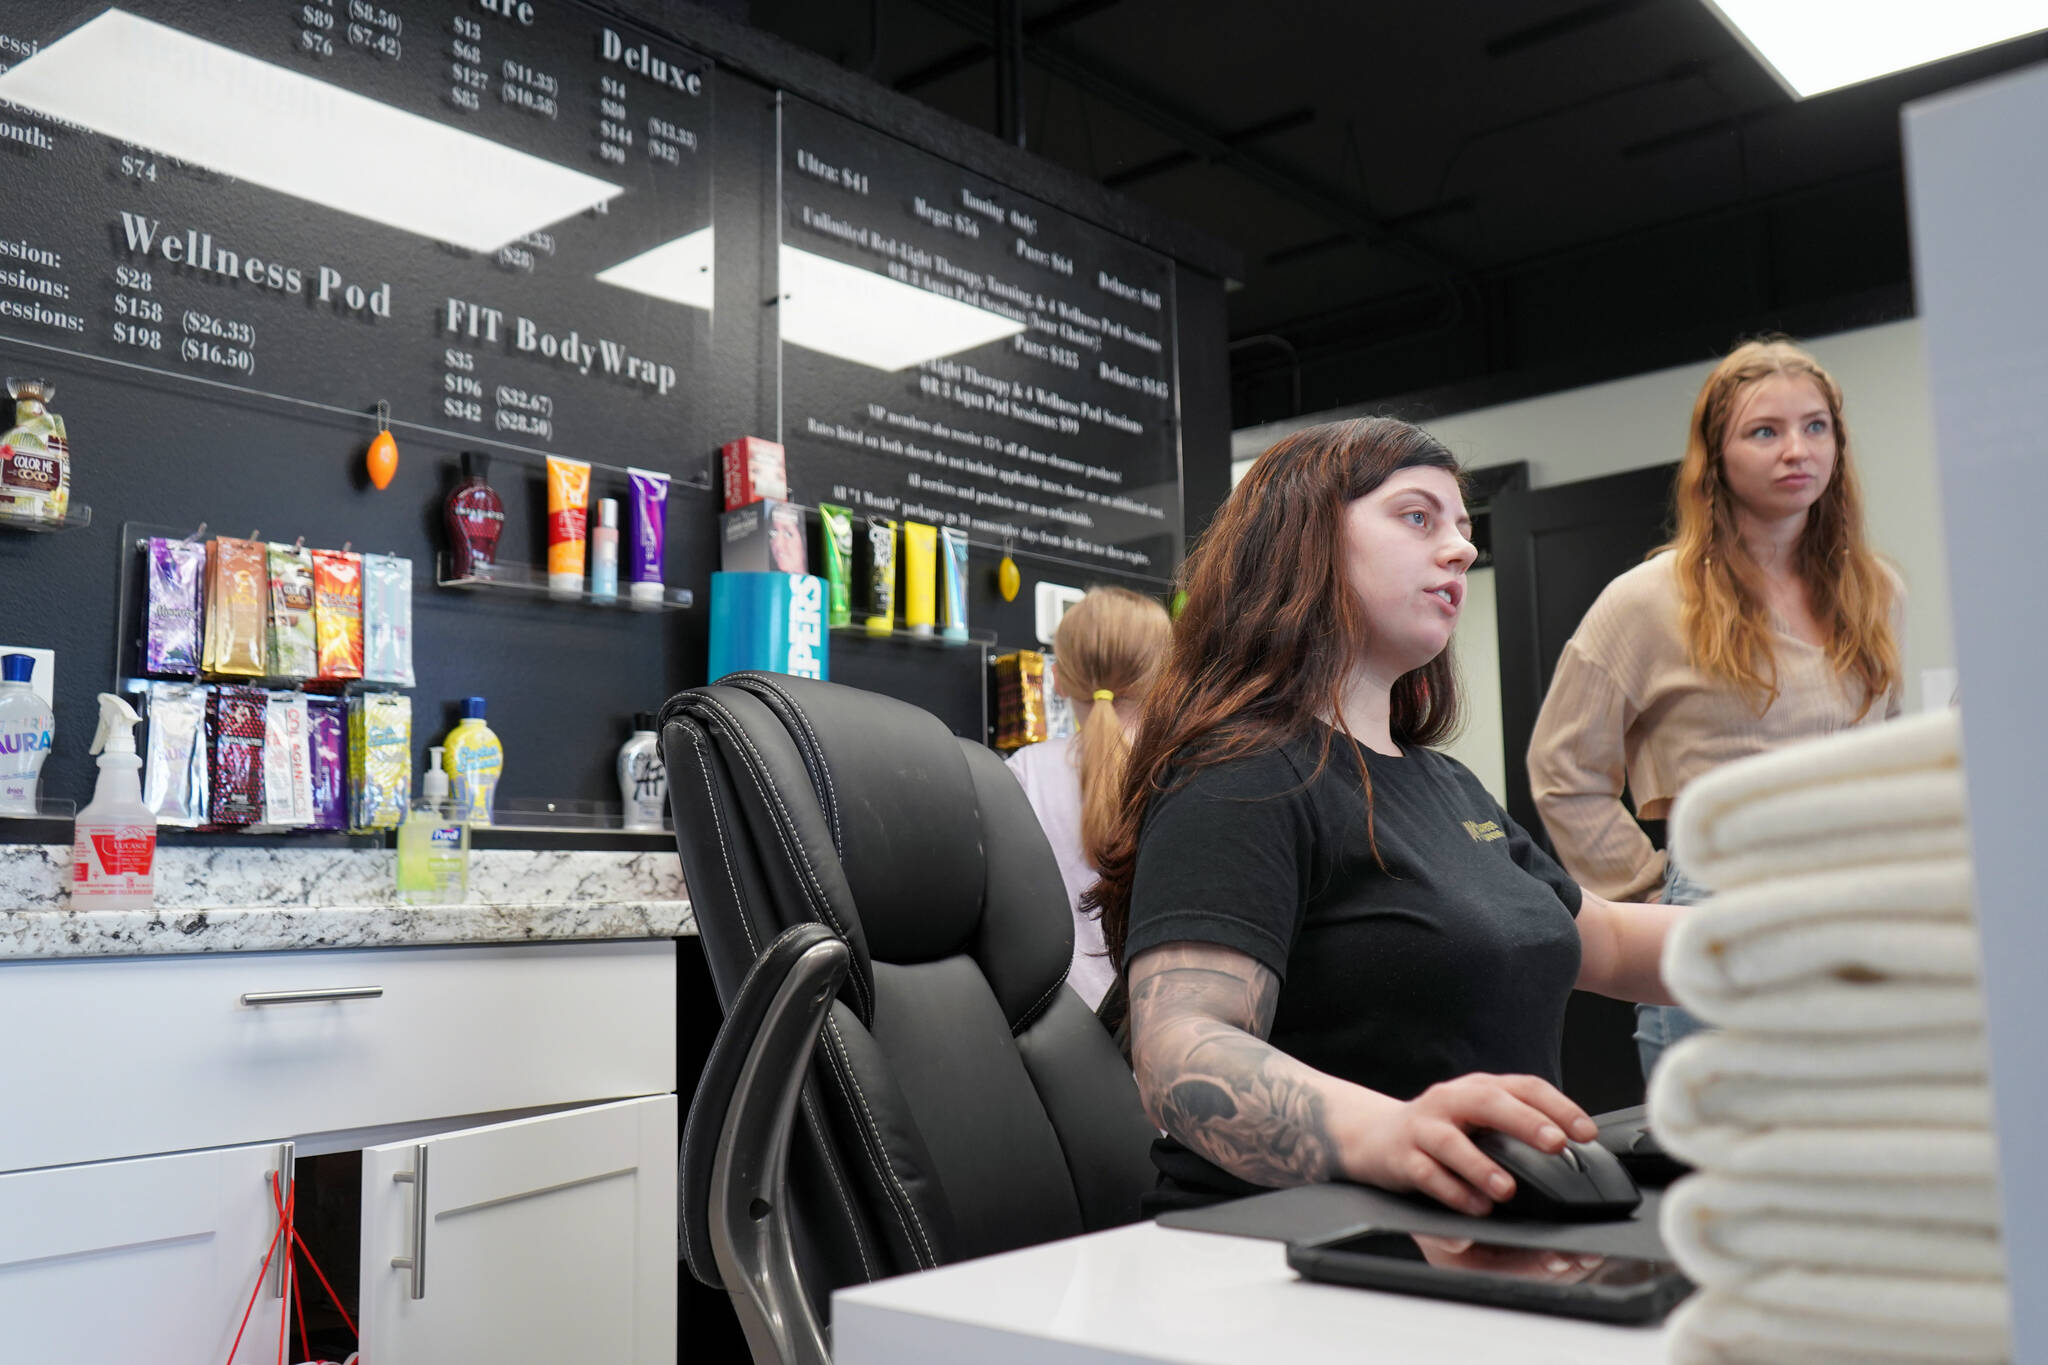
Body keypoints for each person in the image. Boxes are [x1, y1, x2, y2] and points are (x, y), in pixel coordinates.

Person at [1086, 417, 1682, 1215]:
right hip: (1297, 1247)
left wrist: (1831, 938)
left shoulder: (1446, 785)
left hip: (1470, 1222)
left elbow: (1602, 937)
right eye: (1418, 516)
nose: (1463, 549)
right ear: (1305, 540)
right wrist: (1395, 1134)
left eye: (1464, 528)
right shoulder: (1239, 774)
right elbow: (1181, 1051)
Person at [1527, 337, 1902, 1079]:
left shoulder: (1876, 591)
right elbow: (1561, 766)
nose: (1797, 449)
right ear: (1716, 456)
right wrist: (1652, 894)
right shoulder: (1649, 598)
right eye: (1765, 431)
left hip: (1856, 897)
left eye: (1816, 426)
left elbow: (1883, 759)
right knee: (1729, 1158)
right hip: (1721, 897)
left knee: (1851, 1149)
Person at [1007, 586, 1172, 1011]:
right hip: (1164, 1024)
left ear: (1058, 678)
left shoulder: (1023, 773)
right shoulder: (1193, 770)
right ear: (1165, 678)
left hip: (1053, 1030)